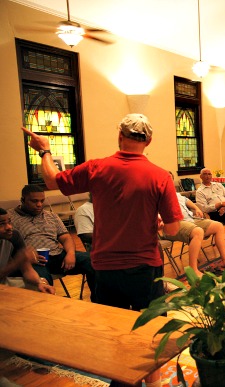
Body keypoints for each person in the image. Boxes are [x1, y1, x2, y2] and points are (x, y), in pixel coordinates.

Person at [22, 114, 182, 387]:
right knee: (150, 332)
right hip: (146, 267)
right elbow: (173, 231)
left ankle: (121, 381)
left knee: (115, 333)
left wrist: (45, 149)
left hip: (106, 269)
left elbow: (51, 181)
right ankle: (153, 383)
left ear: (119, 135)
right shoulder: (160, 175)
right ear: (149, 141)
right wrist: (155, 223)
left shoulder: (96, 168)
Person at [8, 185, 96, 299]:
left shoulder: (50, 216)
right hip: (34, 262)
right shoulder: (10, 218)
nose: (39, 204)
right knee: (42, 280)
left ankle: (100, 300)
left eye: (42, 201)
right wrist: (26, 256)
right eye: (34, 201)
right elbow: (9, 245)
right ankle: (50, 307)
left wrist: (70, 254)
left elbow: (65, 238)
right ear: (23, 200)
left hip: (58, 256)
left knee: (94, 261)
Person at [162, 190, 225, 277]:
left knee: (218, 226)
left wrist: (197, 208)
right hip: (173, 224)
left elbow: (186, 200)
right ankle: (193, 270)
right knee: (198, 231)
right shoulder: (157, 196)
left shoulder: (176, 194)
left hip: (190, 219)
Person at [0, 208, 55, 294]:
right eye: (2, 224)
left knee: (41, 287)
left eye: (9, 222)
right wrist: (16, 262)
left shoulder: (14, 236)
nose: (9, 227)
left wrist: (39, 283)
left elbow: (27, 270)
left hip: (4, 282)